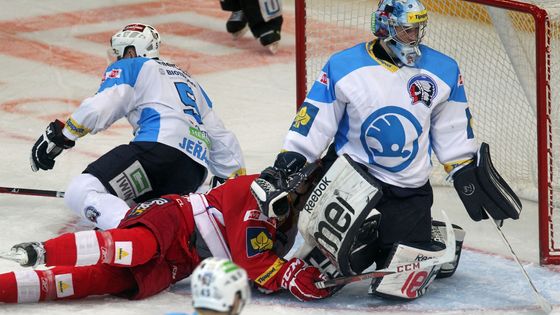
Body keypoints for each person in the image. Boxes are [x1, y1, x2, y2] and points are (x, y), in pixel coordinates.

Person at [258, 0, 522, 300]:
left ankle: (429, 237)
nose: (415, 38)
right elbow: (316, 118)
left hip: (407, 186)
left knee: (396, 289)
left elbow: (452, 126)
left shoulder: (443, 69)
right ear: (384, 27)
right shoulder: (344, 66)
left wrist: (462, 168)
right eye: (407, 30)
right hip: (349, 182)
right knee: (319, 275)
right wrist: (292, 158)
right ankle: (368, 236)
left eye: (418, 29)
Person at [0, 158, 331, 304]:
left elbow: (259, 271)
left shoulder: (287, 222)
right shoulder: (260, 191)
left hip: (183, 263)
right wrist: (289, 275)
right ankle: (41, 251)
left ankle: (4, 289)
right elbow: (252, 262)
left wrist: (293, 275)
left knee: (101, 280)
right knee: (134, 247)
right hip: (173, 219)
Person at [29, 23, 246, 230]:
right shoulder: (190, 81)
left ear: (132, 52)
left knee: (80, 191)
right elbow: (221, 137)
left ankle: (132, 235)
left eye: (119, 53)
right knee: (137, 207)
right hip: (192, 172)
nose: (117, 58)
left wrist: (64, 135)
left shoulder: (132, 65)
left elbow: (102, 106)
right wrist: (232, 184)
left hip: (155, 155)